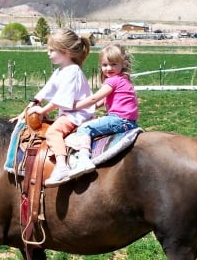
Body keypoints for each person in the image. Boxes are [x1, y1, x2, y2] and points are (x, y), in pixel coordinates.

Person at [23, 29, 95, 187]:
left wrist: (42, 111)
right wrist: (31, 104)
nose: (48, 54)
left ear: (65, 51)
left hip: (77, 114)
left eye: (51, 50)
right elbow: (46, 90)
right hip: (69, 112)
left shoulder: (73, 72)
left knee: (53, 132)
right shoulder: (60, 71)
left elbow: (62, 98)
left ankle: (61, 166)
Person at [68, 43, 139, 179]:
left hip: (118, 119)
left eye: (113, 64)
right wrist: (88, 109)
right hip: (129, 122)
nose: (109, 68)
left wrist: (74, 106)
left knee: (85, 128)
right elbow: (101, 102)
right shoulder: (124, 79)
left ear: (122, 64)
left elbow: (95, 98)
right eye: (105, 65)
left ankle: (83, 159)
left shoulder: (112, 81)